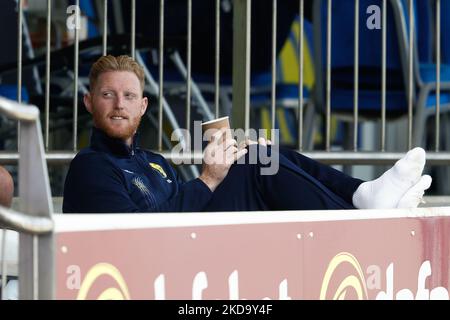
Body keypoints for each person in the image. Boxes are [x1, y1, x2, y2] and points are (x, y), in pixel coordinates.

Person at [62, 55, 432, 214]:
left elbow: (185, 207)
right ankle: (362, 209)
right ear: (89, 102)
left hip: (193, 239)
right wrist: (208, 180)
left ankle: (360, 194)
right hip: (170, 254)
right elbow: (139, 232)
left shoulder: (155, 162)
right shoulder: (90, 166)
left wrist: (226, 170)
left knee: (262, 154)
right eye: (108, 95)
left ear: (143, 106)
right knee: (256, 163)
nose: (119, 104)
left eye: (128, 96)